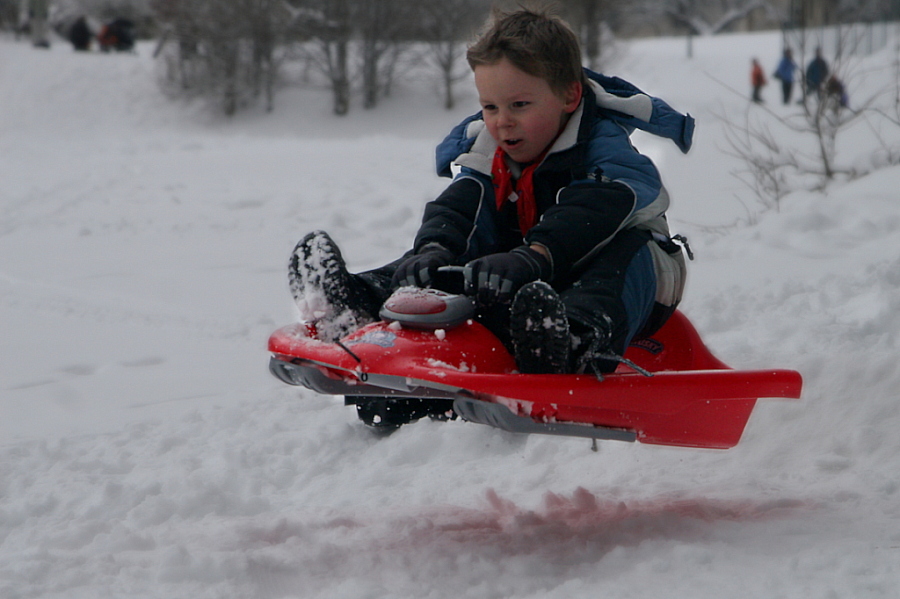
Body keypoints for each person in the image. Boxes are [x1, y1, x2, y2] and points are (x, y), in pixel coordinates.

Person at [288, 7, 692, 377]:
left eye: (519, 104)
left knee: (625, 255)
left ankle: (570, 342)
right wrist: (433, 250)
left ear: (569, 96)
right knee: (443, 259)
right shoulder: (491, 149)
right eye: (490, 107)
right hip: (533, 285)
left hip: (626, 281)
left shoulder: (603, 147)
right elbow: (463, 205)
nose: (503, 123)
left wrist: (535, 256)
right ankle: (357, 302)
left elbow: (593, 209)